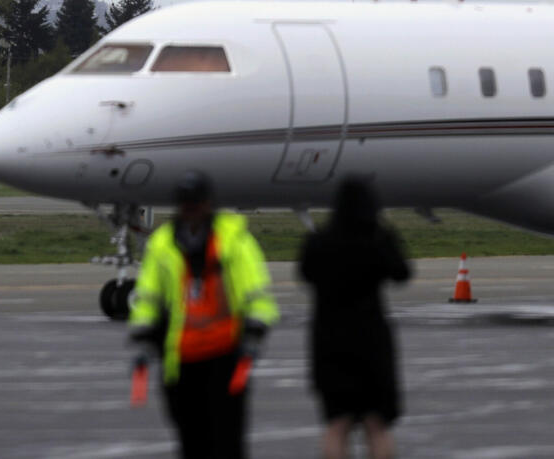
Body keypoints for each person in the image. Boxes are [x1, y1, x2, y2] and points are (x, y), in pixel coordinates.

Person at [128, 171, 279, 459]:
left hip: (225, 357)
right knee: (191, 442)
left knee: (227, 443)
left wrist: (255, 329)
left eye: (196, 203)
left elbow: (256, 291)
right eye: (185, 203)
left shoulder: (233, 240)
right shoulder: (163, 243)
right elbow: (149, 296)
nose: (191, 210)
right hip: (181, 359)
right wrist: (143, 334)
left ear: (208, 203)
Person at [299, 176, 411, 459]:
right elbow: (402, 273)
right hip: (371, 339)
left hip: (329, 341)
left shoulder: (318, 241)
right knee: (377, 424)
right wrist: (384, 237)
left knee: (337, 424)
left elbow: (305, 274)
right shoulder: (378, 239)